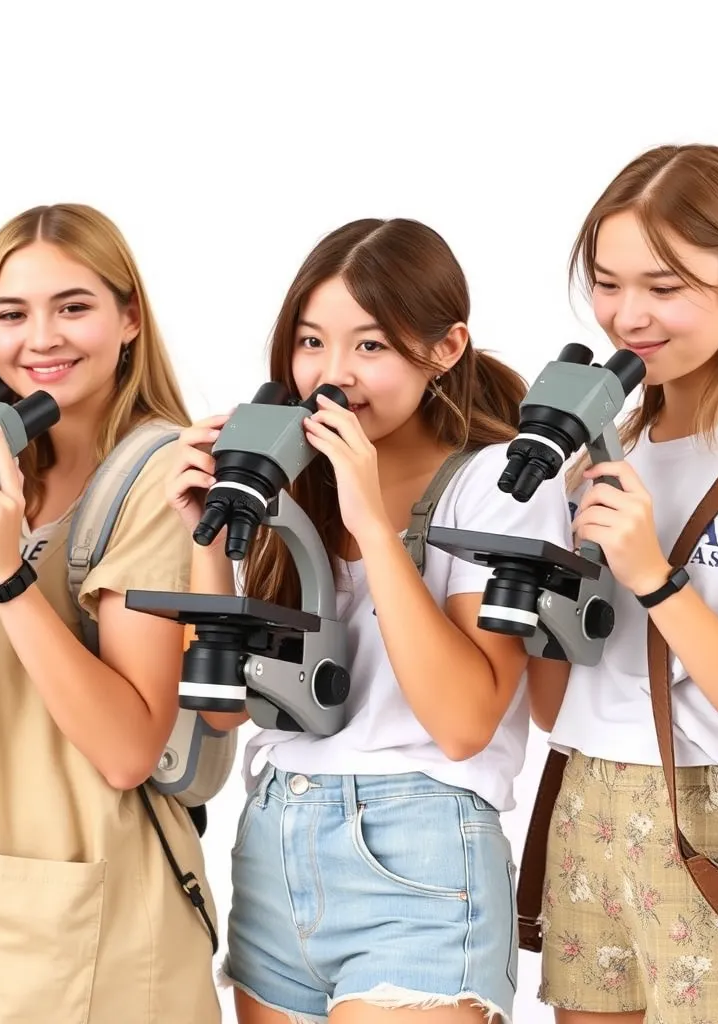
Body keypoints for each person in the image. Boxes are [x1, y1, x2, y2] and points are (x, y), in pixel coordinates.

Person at [168, 217, 573, 1023]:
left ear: (446, 348)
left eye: (371, 346)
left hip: (418, 852)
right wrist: (205, 538)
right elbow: (218, 711)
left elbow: (463, 722)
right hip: (274, 838)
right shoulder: (294, 482)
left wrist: (371, 513)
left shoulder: (498, 482)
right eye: (311, 343)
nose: (332, 375)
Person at [0, 203, 221, 1024]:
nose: (41, 338)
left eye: (73, 306)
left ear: (129, 318)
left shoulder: (156, 477)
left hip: (89, 942)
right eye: (11, 314)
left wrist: (5, 579)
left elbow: (128, 749)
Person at [530, 144, 718, 1024]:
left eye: (666, 286)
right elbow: (555, 703)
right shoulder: (605, 449)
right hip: (586, 793)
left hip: (704, 808)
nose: (627, 316)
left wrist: (652, 576)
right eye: (607, 283)